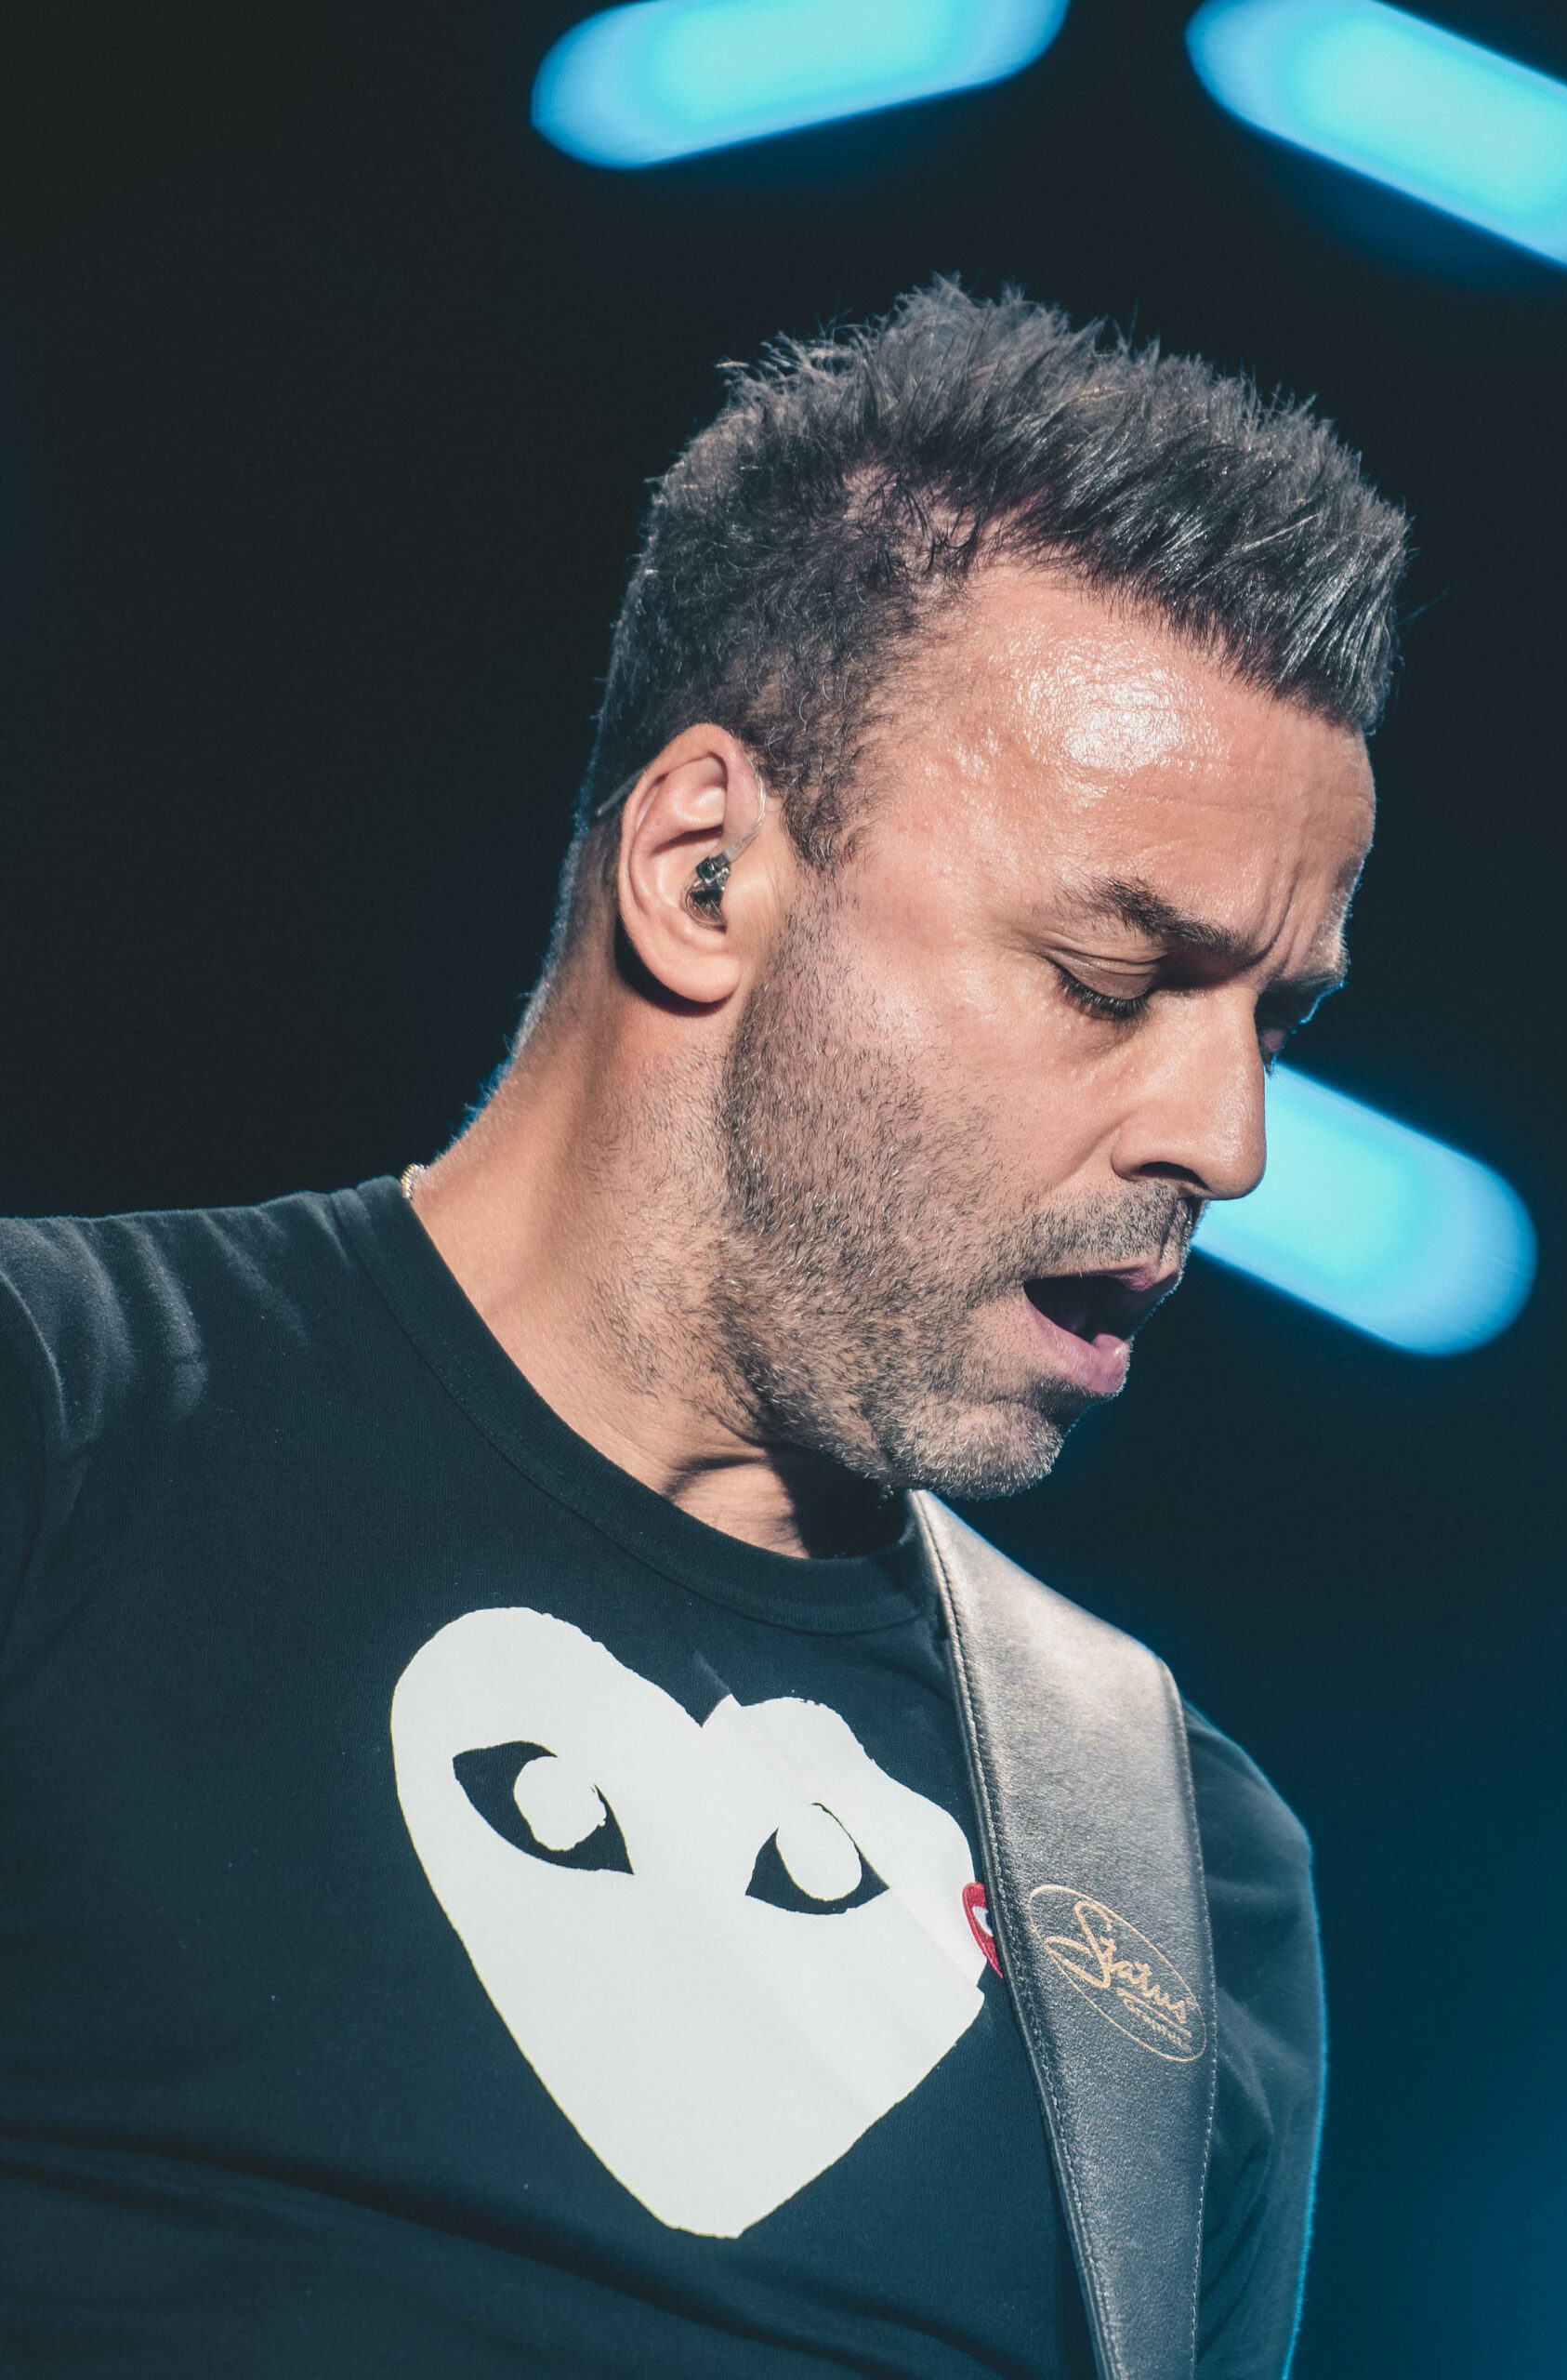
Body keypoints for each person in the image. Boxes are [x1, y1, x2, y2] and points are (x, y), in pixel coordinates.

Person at [0, 283, 1406, 2376]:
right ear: (704, 872)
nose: (1228, 1138)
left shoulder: (1182, 1869)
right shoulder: (65, 1424)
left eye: (1273, 1021)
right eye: (1110, 980)